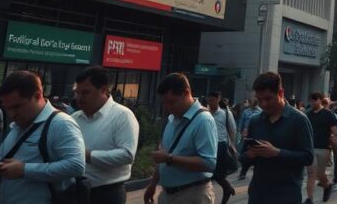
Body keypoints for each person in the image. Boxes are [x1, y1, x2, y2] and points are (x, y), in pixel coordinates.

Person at [0, 70, 85, 204]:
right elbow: (4, 178)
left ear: (37, 96)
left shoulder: (61, 123)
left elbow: (76, 165)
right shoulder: (17, 126)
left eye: (17, 106)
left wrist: (24, 170)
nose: (12, 114)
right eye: (7, 108)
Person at [239, 72, 314, 204]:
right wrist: (250, 155)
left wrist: (277, 153)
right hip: (258, 195)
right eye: (259, 99)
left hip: (286, 195)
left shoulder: (299, 120)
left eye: (268, 99)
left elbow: (308, 157)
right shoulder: (255, 121)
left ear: (281, 93)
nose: (263, 104)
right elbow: (243, 158)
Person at [144, 73, 218, 204]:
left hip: (193, 194)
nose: (167, 107)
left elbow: (209, 163)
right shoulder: (172, 119)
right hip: (167, 194)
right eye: (164, 103)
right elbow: (164, 155)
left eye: (172, 102)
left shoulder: (203, 120)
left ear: (186, 92)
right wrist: (153, 184)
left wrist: (170, 158)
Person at [72, 66, 140, 204]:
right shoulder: (74, 118)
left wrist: (88, 155)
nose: (79, 98)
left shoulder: (122, 115)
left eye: (85, 93)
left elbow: (127, 155)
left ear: (103, 90)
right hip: (75, 191)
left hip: (107, 193)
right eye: (77, 92)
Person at [306, 92, 337, 203]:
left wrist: (332, 145)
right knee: (311, 173)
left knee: (320, 174)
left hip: (324, 148)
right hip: (310, 148)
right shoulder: (307, 114)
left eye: (314, 100)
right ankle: (309, 198)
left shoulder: (328, 114)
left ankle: (327, 185)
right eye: (310, 100)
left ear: (320, 100)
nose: (312, 103)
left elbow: (334, 132)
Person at [205, 91, 237, 203]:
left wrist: (232, 144)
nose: (210, 102)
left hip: (221, 146)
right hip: (207, 145)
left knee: (217, 174)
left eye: (213, 100)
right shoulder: (205, 113)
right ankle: (227, 189)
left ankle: (226, 191)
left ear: (218, 99)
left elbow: (232, 130)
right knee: (209, 174)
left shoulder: (225, 113)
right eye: (209, 100)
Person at [237, 98, 261, 180]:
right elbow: (242, 122)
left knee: (255, 154)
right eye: (251, 101)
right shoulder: (246, 112)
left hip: (257, 136)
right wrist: (240, 132)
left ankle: (251, 172)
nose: (252, 102)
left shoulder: (260, 111)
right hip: (247, 135)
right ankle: (243, 172)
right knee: (245, 153)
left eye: (254, 101)